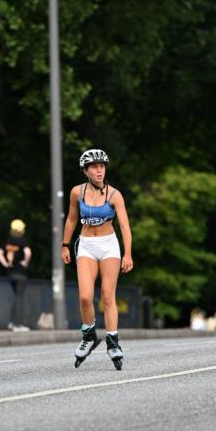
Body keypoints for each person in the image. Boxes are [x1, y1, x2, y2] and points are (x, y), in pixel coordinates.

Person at [61, 148, 133, 369]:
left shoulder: (114, 195)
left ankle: (113, 342)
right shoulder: (77, 193)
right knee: (85, 297)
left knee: (107, 296)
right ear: (86, 171)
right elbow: (72, 220)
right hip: (86, 245)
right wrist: (64, 245)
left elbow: (125, 226)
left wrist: (128, 253)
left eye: (102, 166)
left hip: (109, 245)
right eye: (94, 167)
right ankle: (89, 335)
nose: (99, 170)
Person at [0, 219, 32, 331]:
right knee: (20, 298)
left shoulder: (8, 241)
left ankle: (12, 323)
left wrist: (6, 264)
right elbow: (28, 253)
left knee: (17, 297)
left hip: (10, 273)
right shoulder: (22, 241)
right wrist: (25, 262)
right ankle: (18, 325)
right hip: (20, 273)